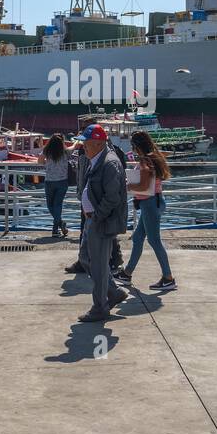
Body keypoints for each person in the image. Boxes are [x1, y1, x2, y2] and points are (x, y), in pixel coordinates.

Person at [75, 123, 128, 323]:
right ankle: (113, 292)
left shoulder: (109, 163)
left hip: (100, 222)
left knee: (98, 266)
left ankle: (100, 307)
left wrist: (96, 217)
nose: (83, 147)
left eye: (86, 144)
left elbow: (112, 197)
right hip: (93, 220)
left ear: (97, 143)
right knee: (86, 258)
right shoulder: (96, 159)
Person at [115, 130, 175, 290]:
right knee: (138, 238)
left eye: (133, 146)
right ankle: (127, 274)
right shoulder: (153, 156)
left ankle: (168, 278)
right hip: (153, 201)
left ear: (136, 146)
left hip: (149, 204)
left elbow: (143, 186)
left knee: (154, 241)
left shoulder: (145, 161)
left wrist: (127, 185)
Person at [39, 134, 71, 237]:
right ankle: (58, 226)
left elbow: (40, 162)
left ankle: (57, 228)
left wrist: (47, 164)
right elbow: (73, 147)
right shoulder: (65, 152)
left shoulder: (47, 151)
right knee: (58, 205)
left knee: (50, 205)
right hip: (62, 182)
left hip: (49, 181)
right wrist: (77, 141)